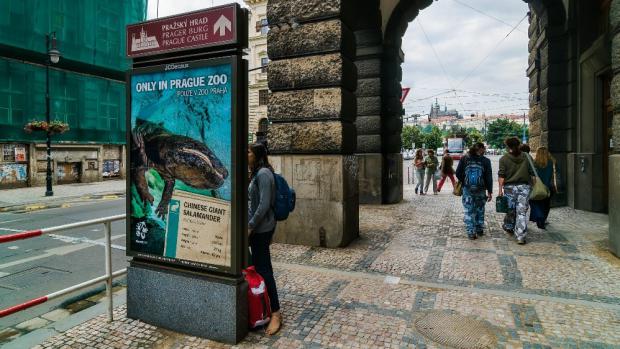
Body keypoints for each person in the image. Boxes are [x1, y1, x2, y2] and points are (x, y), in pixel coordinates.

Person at [248, 143, 281, 335]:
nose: (246, 154)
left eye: (249, 151)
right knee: (258, 268)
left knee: (264, 269)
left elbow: (264, 205)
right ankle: (264, 306)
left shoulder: (264, 174)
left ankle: (276, 313)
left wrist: (250, 226)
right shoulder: (256, 173)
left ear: (258, 155)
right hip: (256, 229)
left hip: (260, 230)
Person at [498, 137, 536, 244]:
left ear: (507, 146)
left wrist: (500, 190)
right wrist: (532, 187)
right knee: (521, 212)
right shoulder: (527, 157)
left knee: (510, 209)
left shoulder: (503, 159)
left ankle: (509, 226)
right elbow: (533, 174)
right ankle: (520, 236)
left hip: (509, 188)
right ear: (519, 145)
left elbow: (501, 176)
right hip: (524, 187)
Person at [456, 142, 493, 239]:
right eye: (484, 148)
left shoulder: (464, 159)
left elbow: (458, 173)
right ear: (480, 149)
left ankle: (471, 232)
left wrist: (464, 181)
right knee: (480, 209)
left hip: (467, 189)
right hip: (481, 189)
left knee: (469, 210)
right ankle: (479, 228)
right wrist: (489, 191)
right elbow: (489, 177)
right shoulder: (486, 161)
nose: (484, 150)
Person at [529, 146, 556, 229]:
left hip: (537, 187)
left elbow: (532, 176)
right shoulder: (551, 162)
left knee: (537, 203)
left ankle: (539, 219)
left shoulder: (534, 163)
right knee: (546, 205)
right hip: (548, 187)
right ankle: (542, 220)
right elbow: (552, 176)